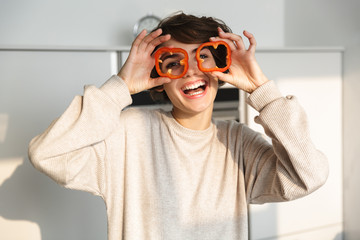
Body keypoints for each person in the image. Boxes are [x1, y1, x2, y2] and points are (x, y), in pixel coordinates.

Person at [28, 12, 329, 240]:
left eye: (204, 58)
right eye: (174, 63)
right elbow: (47, 153)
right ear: (160, 79)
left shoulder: (238, 144)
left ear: (222, 71)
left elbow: (309, 176)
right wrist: (119, 87)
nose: (192, 72)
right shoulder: (128, 134)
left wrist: (261, 89)